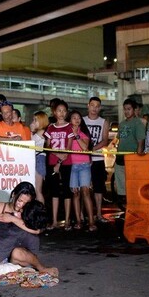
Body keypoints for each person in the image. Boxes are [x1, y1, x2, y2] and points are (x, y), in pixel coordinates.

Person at [45, 99, 72, 230]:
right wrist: (57, 157)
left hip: (66, 163)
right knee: (54, 192)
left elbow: (69, 148)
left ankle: (67, 221)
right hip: (52, 161)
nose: (61, 113)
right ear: (54, 112)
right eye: (59, 110)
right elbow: (48, 146)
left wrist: (60, 162)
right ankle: (54, 221)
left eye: (64, 111)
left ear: (66, 113)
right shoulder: (50, 127)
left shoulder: (69, 127)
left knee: (67, 191)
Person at [66, 110, 96, 232]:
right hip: (72, 166)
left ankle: (91, 221)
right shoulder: (67, 134)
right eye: (74, 118)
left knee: (85, 192)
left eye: (78, 118)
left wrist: (76, 135)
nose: (77, 120)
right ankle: (78, 221)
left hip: (84, 165)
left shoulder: (83, 133)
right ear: (70, 120)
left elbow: (85, 147)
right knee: (75, 193)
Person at [114, 98, 145, 208]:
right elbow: (118, 139)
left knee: (131, 182)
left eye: (129, 109)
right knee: (121, 182)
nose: (126, 111)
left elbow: (140, 141)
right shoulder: (122, 124)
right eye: (125, 109)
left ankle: (133, 205)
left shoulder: (138, 123)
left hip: (132, 158)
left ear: (134, 109)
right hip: (120, 157)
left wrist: (137, 157)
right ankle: (125, 205)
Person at [84, 96, 110, 224]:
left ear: (100, 108)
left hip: (98, 158)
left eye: (97, 106)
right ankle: (86, 214)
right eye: (92, 105)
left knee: (98, 188)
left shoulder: (104, 122)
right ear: (88, 105)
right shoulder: (81, 120)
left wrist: (92, 149)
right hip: (83, 159)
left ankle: (99, 214)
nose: (94, 108)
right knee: (84, 188)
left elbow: (105, 140)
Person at [28, 111, 49, 205]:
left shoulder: (42, 131)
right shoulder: (41, 131)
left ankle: (41, 211)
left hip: (39, 159)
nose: (33, 122)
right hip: (37, 159)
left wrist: (31, 131)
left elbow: (30, 142)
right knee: (36, 190)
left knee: (38, 190)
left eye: (35, 120)